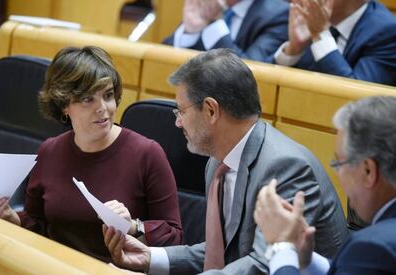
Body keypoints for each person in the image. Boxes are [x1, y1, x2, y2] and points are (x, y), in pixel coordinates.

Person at [102, 48, 348, 274]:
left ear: (211, 110)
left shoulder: (284, 168)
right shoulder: (219, 163)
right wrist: (151, 258)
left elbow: (265, 264)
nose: (177, 122)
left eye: (181, 111)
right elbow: (223, 255)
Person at [0, 46, 182, 262]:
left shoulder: (147, 153)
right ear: (64, 104)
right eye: (88, 99)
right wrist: (14, 219)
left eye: (107, 95)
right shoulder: (50, 151)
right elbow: (38, 223)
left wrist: (135, 226)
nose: (103, 108)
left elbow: (175, 238)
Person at [255, 95, 396, 274]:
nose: (338, 174)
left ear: (368, 170)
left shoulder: (374, 248)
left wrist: (281, 246)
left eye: (339, 164)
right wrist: (305, 259)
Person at [273, 0, 396, 86]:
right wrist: (294, 49)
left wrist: (320, 34)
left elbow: (357, 102)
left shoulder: (388, 32)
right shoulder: (307, 17)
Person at [163, 0, 289, 62]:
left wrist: (214, 22)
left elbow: (249, 73)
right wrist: (191, 31)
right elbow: (158, 61)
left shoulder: (278, 14)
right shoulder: (209, 3)